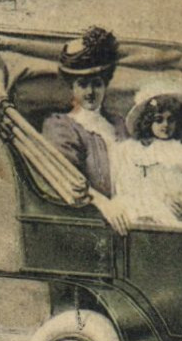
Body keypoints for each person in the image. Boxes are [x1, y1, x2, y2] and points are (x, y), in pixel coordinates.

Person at [42, 25, 129, 231]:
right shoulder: (61, 126)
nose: (90, 92)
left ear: (105, 85)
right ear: (72, 87)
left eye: (97, 84)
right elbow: (67, 178)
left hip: (129, 213)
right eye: (83, 84)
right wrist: (103, 204)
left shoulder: (118, 124)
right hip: (91, 220)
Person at [110, 91, 182, 231]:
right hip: (144, 209)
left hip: (179, 214)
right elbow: (127, 186)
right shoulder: (134, 151)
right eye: (159, 120)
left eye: (170, 120)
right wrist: (160, 200)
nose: (165, 125)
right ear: (148, 121)